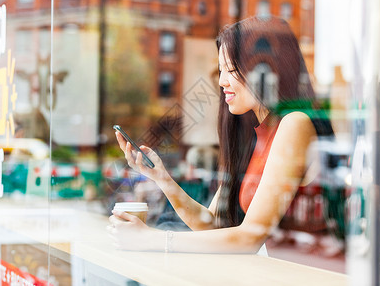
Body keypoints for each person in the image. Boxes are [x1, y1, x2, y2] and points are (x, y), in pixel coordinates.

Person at [107, 16, 333, 254]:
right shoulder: (252, 137)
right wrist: (161, 177)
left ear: (265, 70)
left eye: (232, 70)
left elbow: (248, 239)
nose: (222, 81)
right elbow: (212, 225)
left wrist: (151, 239)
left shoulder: (293, 124)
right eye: (221, 69)